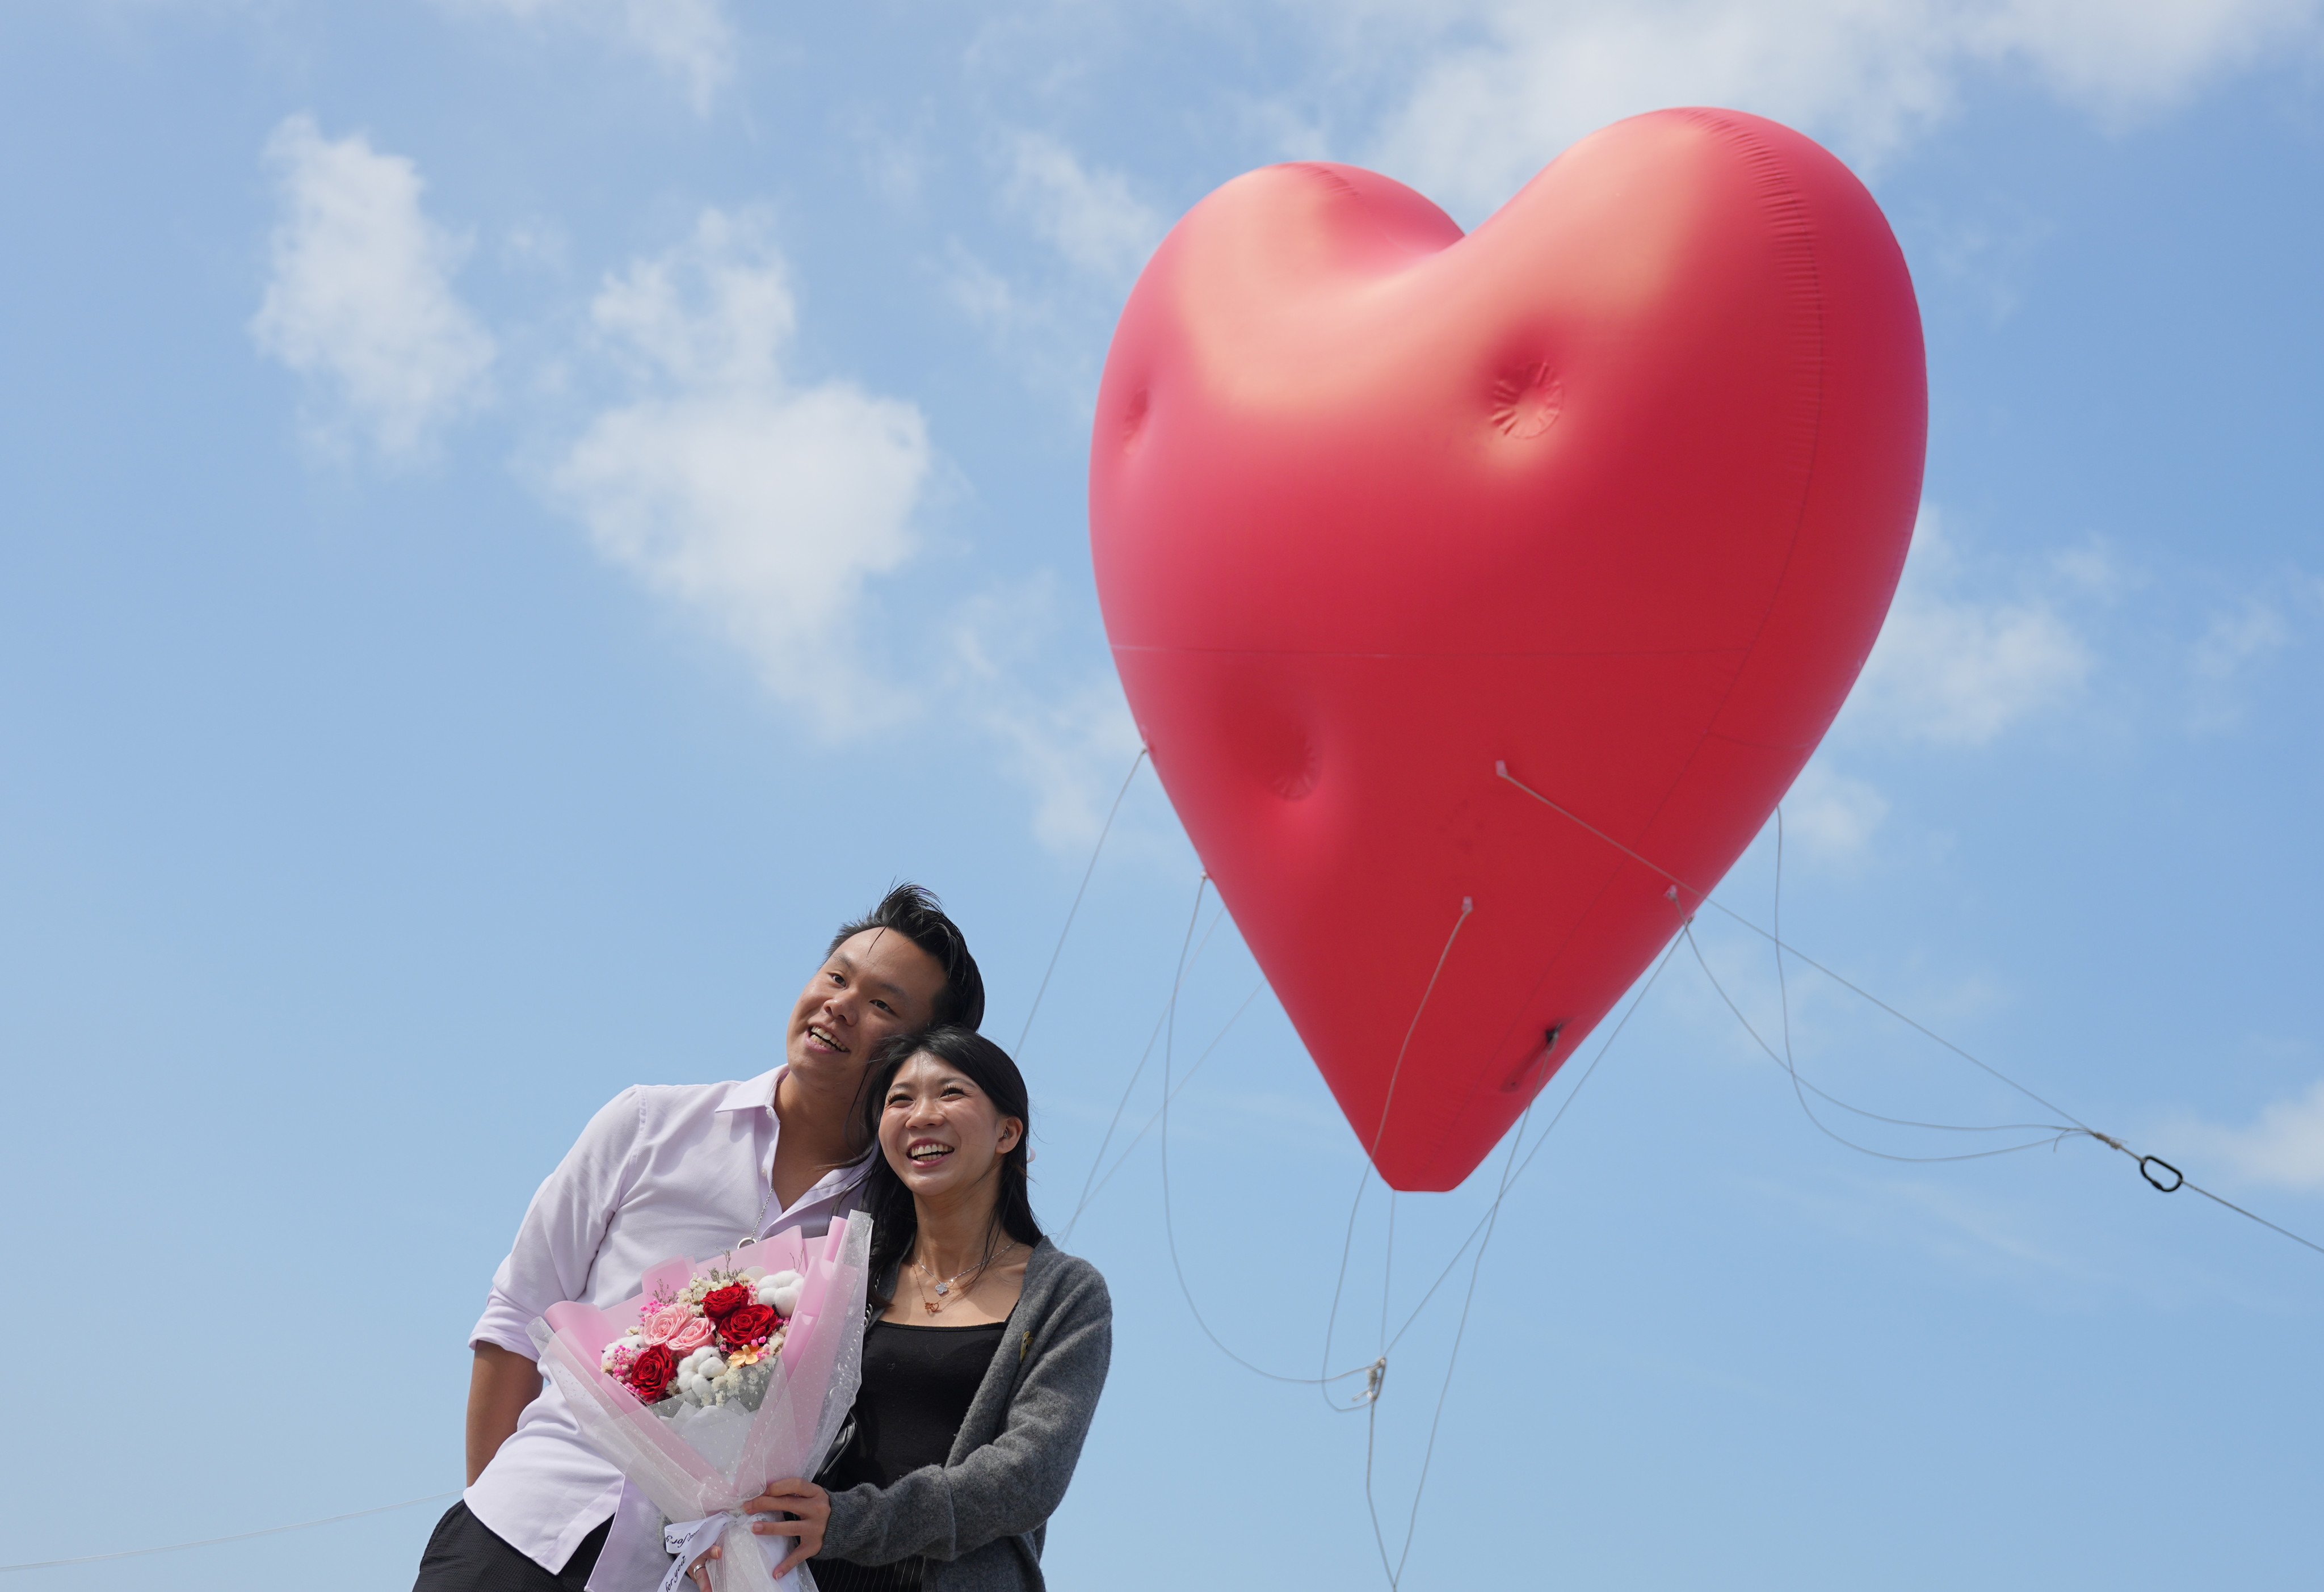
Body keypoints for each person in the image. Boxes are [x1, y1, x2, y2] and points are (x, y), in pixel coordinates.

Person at [414, 884, 985, 1592]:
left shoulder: (899, 1238)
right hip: (522, 1535)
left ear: (920, 1054)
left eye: (882, 1005)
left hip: (697, 1574)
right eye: (837, 976)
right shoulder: (648, 1125)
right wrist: (500, 1511)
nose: (840, 1003)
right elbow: (515, 1320)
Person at [699, 1026, 1111, 1592]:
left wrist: (855, 1522)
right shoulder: (846, 1275)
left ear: (1008, 1132)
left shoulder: (1065, 1293)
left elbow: (1029, 1475)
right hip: (801, 1576)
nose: (922, 1116)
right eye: (900, 1100)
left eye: (950, 1093)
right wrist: (722, 1523)